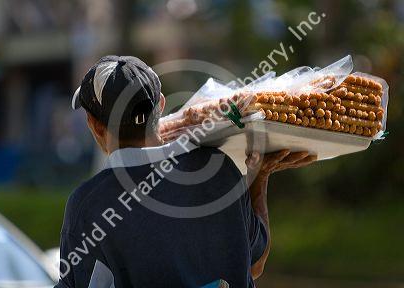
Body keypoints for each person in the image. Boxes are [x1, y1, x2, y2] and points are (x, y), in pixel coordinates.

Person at [55, 55, 316, 288]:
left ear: (94, 125)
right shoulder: (218, 169)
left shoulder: (88, 206)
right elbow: (255, 265)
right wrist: (260, 176)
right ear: (161, 104)